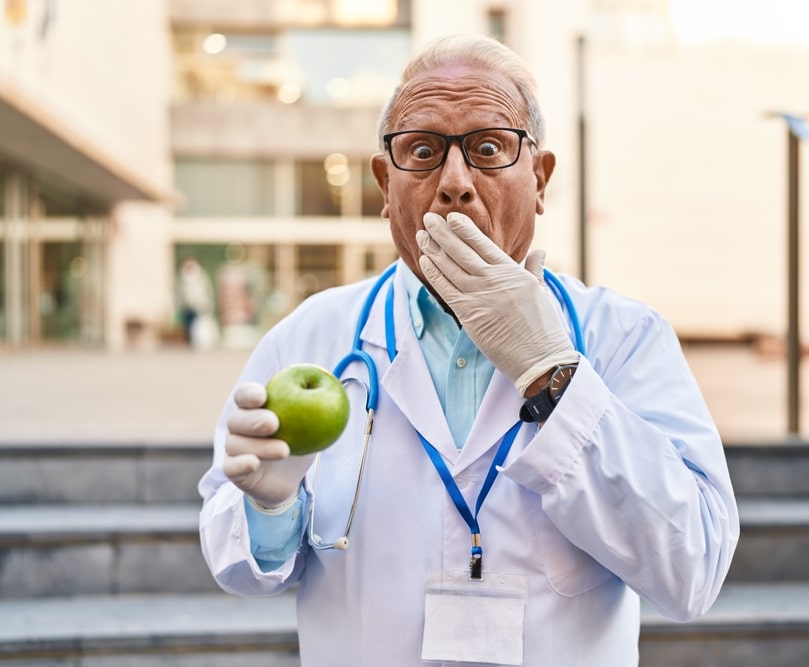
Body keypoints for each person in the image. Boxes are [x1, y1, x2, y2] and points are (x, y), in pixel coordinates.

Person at [198, 34, 739, 666]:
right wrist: (270, 506)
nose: (454, 183)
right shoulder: (310, 340)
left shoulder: (624, 339)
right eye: (422, 152)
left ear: (539, 178)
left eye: (487, 148)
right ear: (384, 183)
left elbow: (693, 569)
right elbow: (238, 567)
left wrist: (552, 371)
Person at [176, 256, 216, 348]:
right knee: (187, 324)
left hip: (199, 305)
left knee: (197, 324)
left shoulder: (201, 276)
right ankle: (189, 341)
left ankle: (196, 341)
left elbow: (207, 291)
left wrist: (207, 303)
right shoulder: (182, 276)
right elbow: (180, 292)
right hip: (187, 306)